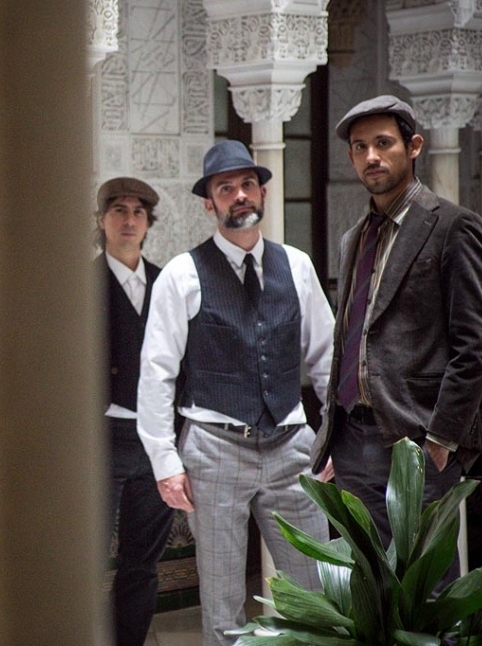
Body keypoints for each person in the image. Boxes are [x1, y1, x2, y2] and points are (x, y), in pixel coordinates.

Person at [136, 140, 333, 646]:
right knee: (223, 601)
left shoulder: (297, 266)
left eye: (248, 184)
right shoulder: (182, 274)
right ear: (210, 204)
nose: (240, 195)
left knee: (318, 587)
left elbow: (327, 358)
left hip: (292, 444)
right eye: (226, 188)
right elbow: (156, 372)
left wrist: (335, 436)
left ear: (262, 193)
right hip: (214, 448)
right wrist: (165, 461)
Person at [312, 95, 482, 556]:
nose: (371, 156)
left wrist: (442, 438)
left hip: (417, 438)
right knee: (368, 578)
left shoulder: (453, 227)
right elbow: (350, 338)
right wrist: (333, 436)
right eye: (360, 147)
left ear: (413, 147)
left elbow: (475, 345)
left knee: (424, 583)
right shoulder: (354, 238)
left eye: (383, 143)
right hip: (353, 440)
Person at [95, 178, 175, 646]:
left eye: (138, 212)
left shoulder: (168, 283)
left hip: (155, 439)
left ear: (148, 223)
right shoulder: (80, 284)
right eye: (119, 211)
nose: (129, 220)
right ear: (101, 220)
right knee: (85, 557)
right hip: (99, 439)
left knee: (142, 562)